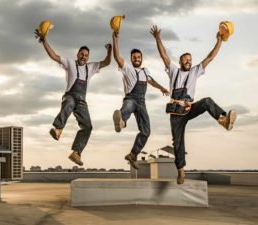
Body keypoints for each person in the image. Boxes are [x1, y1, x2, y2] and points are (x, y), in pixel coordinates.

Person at [150, 25, 237, 184]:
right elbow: (163, 55)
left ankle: (223, 120)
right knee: (178, 142)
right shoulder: (174, 72)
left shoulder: (195, 71)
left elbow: (210, 57)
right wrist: (158, 39)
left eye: (190, 58)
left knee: (207, 101)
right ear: (180, 61)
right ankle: (181, 170)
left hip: (189, 108)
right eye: (185, 59)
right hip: (176, 113)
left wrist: (219, 41)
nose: (189, 60)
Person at [35, 29, 112, 166]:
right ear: (77, 54)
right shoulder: (70, 63)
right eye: (81, 54)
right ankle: (58, 129)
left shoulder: (91, 67)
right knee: (69, 103)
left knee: (88, 126)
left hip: (82, 101)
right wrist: (44, 41)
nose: (84, 57)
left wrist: (109, 50)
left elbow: (107, 62)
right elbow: (54, 56)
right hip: (70, 96)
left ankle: (76, 153)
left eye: (86, 55)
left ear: (88, 57)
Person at [112, 31, 169, 170]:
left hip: (142, 102)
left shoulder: (145, 71)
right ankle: (121, 122)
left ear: (141, 58)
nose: (137, 59)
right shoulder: (127, 68)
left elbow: (152, 81)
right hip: (131, 98)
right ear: (131, 59)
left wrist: (161, 88)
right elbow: (117, 57)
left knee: (146, 131)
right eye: (134, 57)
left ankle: (133, 155)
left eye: (138, 57)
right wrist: (115, 39)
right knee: (127, 107)